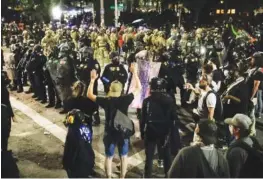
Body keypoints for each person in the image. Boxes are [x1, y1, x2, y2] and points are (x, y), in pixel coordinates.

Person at [87, 63, 141, 178]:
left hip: (109, 131)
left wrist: (92, 80)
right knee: (124, 156)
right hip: (122, 131)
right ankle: (122, 177)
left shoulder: (106, 100)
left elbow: (90, 95)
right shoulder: (125, 99)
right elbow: (139, 88)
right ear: (121, 90)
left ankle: (109, 177)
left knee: (109, 157)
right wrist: (135, 73)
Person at [140, 77, 180, 178]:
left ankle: (147, 176)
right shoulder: (169, 100)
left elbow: (143, 119)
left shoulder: (147, 101)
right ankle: (168, 175)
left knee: (149, 157)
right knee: (166, 156)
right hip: (165, 132)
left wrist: (142, 132)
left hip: (150, 132)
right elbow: (174, 118)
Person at [225, 113, 263, 178]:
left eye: (231, 125)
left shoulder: (236, 151)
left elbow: (234, 173)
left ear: (237, 130)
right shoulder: (252, 140)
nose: (229, 126)